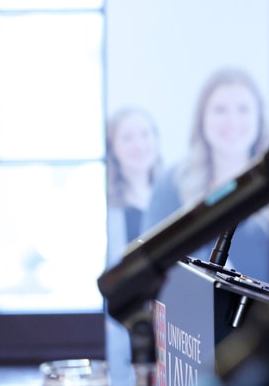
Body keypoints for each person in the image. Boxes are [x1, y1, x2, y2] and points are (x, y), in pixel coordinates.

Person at [145, 67, 269, 289]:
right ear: (202, 119)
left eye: (243, 109)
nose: (232, 120)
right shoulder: (171, 184)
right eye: (220, 110)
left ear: (259, 118)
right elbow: (149, 273)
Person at [104, 106, 161, 386]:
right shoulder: (105, 207)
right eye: (127, 137)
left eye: (144, 134)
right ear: (113, 147)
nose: (139, 144)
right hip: (126, 324)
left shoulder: (173, 196)